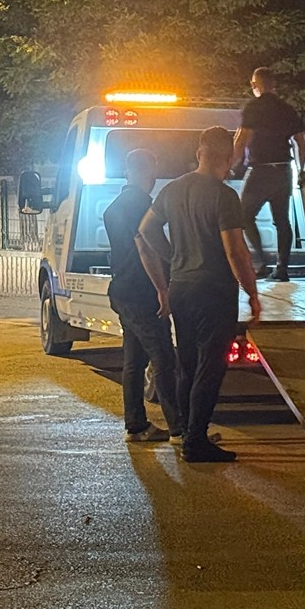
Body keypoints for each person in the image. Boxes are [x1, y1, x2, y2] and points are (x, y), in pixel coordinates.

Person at [138, 126, 262, 462]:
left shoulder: (172, 190)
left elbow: (146, 229)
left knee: (187, 364)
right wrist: (252, 292)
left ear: (199, 153)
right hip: (214, 291)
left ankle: (185, 433)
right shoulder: (224, 196)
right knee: (210, 365)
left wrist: (173, 257)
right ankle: (196, 441)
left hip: (181, 288)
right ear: (229, 158)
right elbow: (235, 250)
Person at [103, 149, 181, 443]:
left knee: (134, 361)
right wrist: (163, 287)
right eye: (153, 170)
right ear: (148, 171)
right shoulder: (141, 204)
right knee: (164, 357)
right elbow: (145, 247)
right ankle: (180, 429)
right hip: (142, 292)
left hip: (122, 290)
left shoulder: (113, 207)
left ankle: (136, 426)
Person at [231, 67, 305, 282]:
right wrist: (302, 170)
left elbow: (241, 140)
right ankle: (282, 269)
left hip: (260, 171)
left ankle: (262, 262)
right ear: (274, 84)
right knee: (282, 221)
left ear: (255, 85)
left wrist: (231, 166)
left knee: (243, 215)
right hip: (283, 171)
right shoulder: (287, 109)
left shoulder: (253, 108)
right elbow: (301, 143)